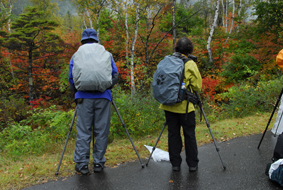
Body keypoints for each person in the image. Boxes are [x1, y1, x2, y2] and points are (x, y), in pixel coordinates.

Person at [68, 28, 119, 174]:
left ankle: (82, 164)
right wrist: (107, 87)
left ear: (83, 40)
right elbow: (115, 74)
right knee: (101, 131)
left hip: (83, 97)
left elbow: (71, 78)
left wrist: (76, 94)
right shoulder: (106, 53)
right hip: (103, 97)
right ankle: (98, 163)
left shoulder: (76, 55)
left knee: (84, 131)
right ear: (96, 39)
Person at [159, 37, 202, 172]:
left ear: (176, 48)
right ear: (190, 49)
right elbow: (197, 86)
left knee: (173, 134)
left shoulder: (166, 61)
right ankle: (192, 164)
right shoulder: (190, 64)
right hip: (185, 107)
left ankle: (176, 164)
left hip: (168, 105)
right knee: (189, 134)